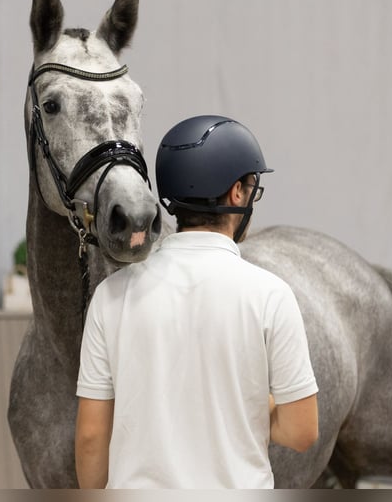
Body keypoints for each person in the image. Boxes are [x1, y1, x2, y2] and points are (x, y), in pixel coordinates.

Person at [75, 115, 318, 488]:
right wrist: (251, 408)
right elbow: (301, 431)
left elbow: (92, 436)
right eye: (253, 188)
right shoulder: (270, 294)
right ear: (237, 192)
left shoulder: (110, 295)